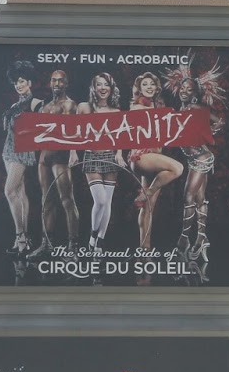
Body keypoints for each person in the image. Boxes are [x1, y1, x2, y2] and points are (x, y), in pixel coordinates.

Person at [166, 64, 227, 284]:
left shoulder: (195, 108)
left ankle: (184, 239)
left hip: (202, 158)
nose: (184, 92)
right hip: (193, 159)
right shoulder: (181, 109)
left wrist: (208, 132)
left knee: (188, 197)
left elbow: (219, 121)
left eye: (189, 89)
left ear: (195, 93)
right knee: (200, 199)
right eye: (182, 88)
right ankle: (201, 238)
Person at [125, 71, 183, 283]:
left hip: (152, 159)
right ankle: (147, 193)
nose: (149, 87)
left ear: (157, 88)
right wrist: (166, 116)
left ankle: (145, 251)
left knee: (148, 208)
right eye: (144, 84)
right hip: (141, 157)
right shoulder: (138, 107)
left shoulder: (157, 108)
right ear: (139, 89)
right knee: (177, 169)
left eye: (152, 84)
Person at [71, 72, 125, 249]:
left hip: (110, 157)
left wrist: (119, 153)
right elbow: (74, 131)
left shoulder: (116, 111)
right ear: (94, 88)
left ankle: (99, 242)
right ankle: (93, 234)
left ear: (111, 88)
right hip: (91, 156)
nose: (103, 88)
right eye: (99, 84)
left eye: (106, 84)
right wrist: (73, 152)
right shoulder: (84, 107)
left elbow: (120, 136)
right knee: (100, 200)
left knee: (107, 202)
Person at [32, 69, 82, 258]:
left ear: (66, 83)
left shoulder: (69, 104)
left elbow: (71, 131)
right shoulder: (45, 107)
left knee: (67, 199)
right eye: (54, 80)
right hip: (44, 158)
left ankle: (73, 246)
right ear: (50, 83)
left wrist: (73, 152)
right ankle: (47, 244)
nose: (57, 84)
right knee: (46, 200)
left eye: (61, 81)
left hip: (60, 157)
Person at [1, 61, 43, 257]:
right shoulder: (14, 105)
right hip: (8, 151)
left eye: (22, 81)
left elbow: (42, 127)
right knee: (19, 191)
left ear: (29, 83)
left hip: (22, 151)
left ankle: (21, 236)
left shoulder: (35, 103)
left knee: (9, 191)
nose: (18, 85)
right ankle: (23, 240)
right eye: (16, 82)